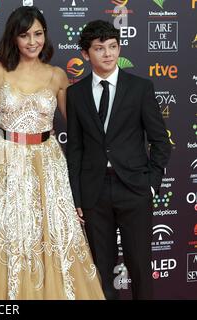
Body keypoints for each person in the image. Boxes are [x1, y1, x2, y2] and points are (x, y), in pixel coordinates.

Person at [0, 6, 104, 300]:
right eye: (25, 35)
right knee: (3, 233)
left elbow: (79, 130)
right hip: (3, 162)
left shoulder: (57, 76)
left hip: (47, 162)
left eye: (38, 34)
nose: (32, 41)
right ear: (13, 37)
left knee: (50, 235)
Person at [66, 20, 171, 300]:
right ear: (86, 54)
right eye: (100, 49)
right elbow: (74, 148)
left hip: (134, 189)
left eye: (113, 47)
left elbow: (160, 140)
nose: (108, 54)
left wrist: (151, 184)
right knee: (101, 268)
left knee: (139, 264)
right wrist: (77, 196)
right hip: (94, 191)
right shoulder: (75, 94)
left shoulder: (140, 88)